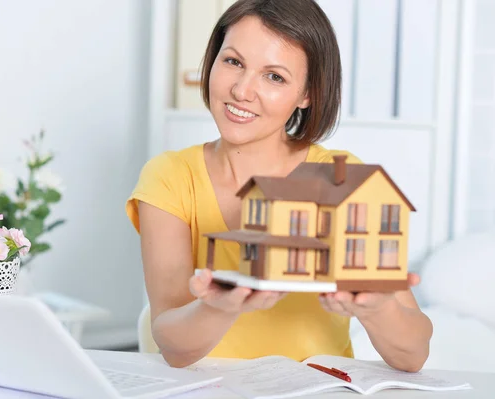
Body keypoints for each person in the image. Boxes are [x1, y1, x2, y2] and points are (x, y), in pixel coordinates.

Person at [126, 0, 432, 371]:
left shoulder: (342, 178)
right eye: (233, 62)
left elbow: (413, 354)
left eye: (274, 76)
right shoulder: (170, 177)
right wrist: (219, 306)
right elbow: (171, 344)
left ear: (307, 94)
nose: (241, 90)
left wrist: (378, 308)